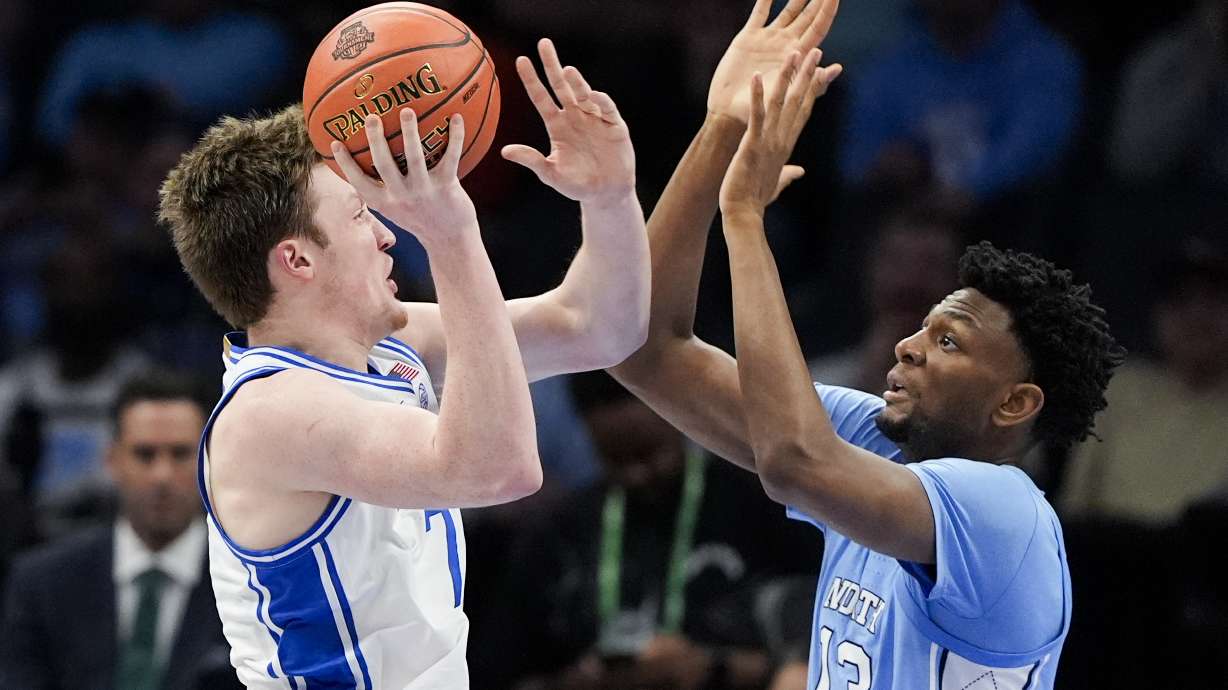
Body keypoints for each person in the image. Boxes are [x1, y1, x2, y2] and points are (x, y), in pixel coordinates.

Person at [610, 0, 1125, 687]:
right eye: (925, 327)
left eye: (948, 341)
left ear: (1014, 403)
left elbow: (794, 463)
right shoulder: (881, 446)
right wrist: (723, 129)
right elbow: (644, 349)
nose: (909, 346)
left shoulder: (1004, 512)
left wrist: (744, 219)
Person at [156, 37, 647, 687]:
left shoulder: (389, 342)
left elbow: (598, 329)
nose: (389, 235)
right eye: (362, 215)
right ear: (297, 260)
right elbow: (496, 470)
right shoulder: (266, 416)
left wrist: (609, 197)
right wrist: (451, 233)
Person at [474, 371, 821, 690]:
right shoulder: (558, 534)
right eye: (615, 460)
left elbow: (819, 650)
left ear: (679, 421)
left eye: (649, 454)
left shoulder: (755, 505)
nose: (636, 475)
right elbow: (499, 669)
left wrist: (711, 666)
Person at [1, 370, 241, 690]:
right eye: (145, 454)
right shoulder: (42, 584)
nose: (162, 476)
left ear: (211, 461)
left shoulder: (252, 585)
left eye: (181, 453)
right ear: (112, 460)